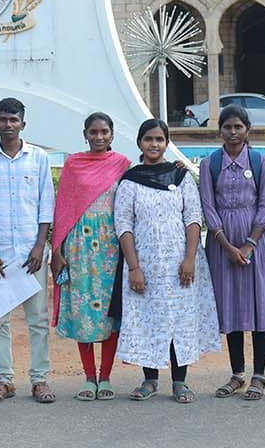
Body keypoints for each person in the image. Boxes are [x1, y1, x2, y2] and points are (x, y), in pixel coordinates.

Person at [113, 118, 220, 404]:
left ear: (166, 143)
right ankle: (149, 380)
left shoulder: (180, 177)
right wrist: (134, 268)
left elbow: (193, 218)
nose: (154, 144)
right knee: (148, 319)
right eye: (149, 139)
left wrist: (189, 259)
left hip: (180, 264)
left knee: (179, 320)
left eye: (159, 139)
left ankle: (180, 382)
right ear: (139, 142)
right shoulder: (130, 180)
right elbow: (123, 225)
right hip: (145, 264)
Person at [0, 97, 55, 405]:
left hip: (32, 254)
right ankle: (4, 380)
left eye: (13, 120)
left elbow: (46, 206)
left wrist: (39, 246)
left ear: (23, 124)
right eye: (3, 120)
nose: (8, 125)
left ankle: (39, 379)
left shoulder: (39, 159)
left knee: (38, 320)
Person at [198, 104, 265, 401]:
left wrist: (249, 244)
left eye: (238, 127)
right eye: (227, 127)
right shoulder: (210, 164)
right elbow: (208, 206)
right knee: (230, 305)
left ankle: (260, 374)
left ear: (247, 130)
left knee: (258, 305)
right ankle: (237, 373)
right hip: (222, 243)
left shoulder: (259, 162)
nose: (233, 132)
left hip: (256, 240)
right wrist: (227, 245)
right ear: (220, 130)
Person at [51, 112, 131, 402]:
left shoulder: (122, 164)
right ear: (85, 134)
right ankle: (88, 377)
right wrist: (57, 250)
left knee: (110, 313)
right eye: (93, 132)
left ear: (112, 134)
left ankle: (105, 376)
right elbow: (63, 207)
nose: (99, 137)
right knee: (82, 311)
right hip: (79, 247)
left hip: (111, 247)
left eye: (104, 132)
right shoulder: (73, 164)